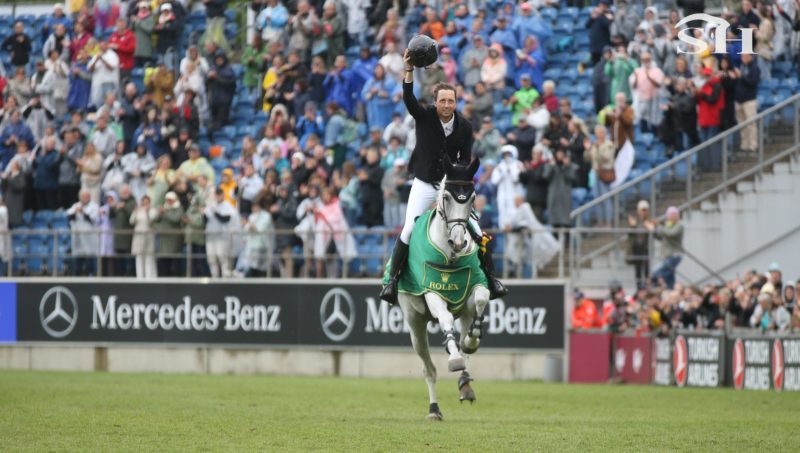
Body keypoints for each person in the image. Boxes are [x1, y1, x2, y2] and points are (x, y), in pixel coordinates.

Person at [381, 49, 507, 304]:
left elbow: (465, 160)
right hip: (426, 182)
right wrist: (408, 70)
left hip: (451, 186)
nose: (447, 105)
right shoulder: (425, 116)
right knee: (408, 229)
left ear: (456, 102)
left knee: (476, 229)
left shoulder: (465, 127)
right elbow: (408, 99)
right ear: (435, 101)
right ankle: (392, 281)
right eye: (443, 101)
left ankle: (492, 279)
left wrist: (456, 183)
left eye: (451, 101)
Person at [646, 206, 684, 289]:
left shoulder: (679, 225)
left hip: (674, 255)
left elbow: (670, 234)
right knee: (670, 275)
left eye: (674, 214)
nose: (672, 216)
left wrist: (658, 226)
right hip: (667, 255)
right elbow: (661, 237)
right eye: (671, 214)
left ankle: (657, 288)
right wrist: (653, 230)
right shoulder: (667, 225)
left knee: (656, 273)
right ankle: (670, 290)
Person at [205, 187, 238, 278]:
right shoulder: (211, 205)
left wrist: (215, 211)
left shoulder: (227, 206)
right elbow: (205, 219)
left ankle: (225, 278)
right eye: (217, 194)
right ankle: (214, 277)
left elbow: (224, 219)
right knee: (211, 259)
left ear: (223, 195)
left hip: (222, 237)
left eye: (220, 194)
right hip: (211, 236)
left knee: (222, 258)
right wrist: (204, 212)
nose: (218, 196)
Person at [587, 125, 616, 227]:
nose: (599, 135)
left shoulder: (609, 144)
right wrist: (588, 149)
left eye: (601, 132)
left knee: (606, 198)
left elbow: (606, 158)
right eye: (597, 133)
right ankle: (600, 221)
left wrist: (598, 148)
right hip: (595, 173)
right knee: (597, 199)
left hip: (605, 174)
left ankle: (608, 222)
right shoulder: (595, 144)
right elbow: (589, 158)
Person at [67, 190, 100, 276]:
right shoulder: (76, 205)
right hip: (78, 238)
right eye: (82, 196)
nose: (84, 198)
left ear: (89, 197)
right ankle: (76, 276)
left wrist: (82, 211)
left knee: (91, 260)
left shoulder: (94, 206)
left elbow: (93, 219)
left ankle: (92, 276)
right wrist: (75, 211)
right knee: (77, 261)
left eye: (86, 196)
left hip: (90, 239)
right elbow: (69, 217)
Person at [491, 145, 523, 229]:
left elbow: (517, 179)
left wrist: (510, 170)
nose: (507, 156)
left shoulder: (518, 164)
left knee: (514, 210)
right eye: (505, 154)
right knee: (502, 210)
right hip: (502, 193)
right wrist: (502, 173)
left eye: (508, 154)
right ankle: (503, 227)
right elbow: (494, 181)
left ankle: (515, 226)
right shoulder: (500, 166)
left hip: (515, 193)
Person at [154, 191, 184, 277]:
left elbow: (175, 219)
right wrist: (159, 214)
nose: (169, 201)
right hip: (164, 241)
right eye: (167, 200)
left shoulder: (178, 208)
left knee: (175, 262)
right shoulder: (164, 208)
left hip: (174, 241)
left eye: (170, 200)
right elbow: (154, 221)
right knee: (164, 263)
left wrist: (165, 213)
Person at [734, 53, 760, 154]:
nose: (743, 58)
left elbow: (753, 82)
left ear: (750, 56)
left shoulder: (754, 68)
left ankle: (753, 145)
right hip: (739, 101)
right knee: (742, 125)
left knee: (751, 124)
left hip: (749, 100)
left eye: (745, 56)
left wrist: (741, 76)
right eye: (742, 56)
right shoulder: (742, 67)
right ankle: (744, 145)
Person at [130, 194, 156, 279]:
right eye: (144, 202)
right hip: (138, 236)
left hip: (149, 236)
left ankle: (149, 277)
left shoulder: (153, 210)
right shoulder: (138, 210)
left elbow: (151, 221)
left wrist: (147, 212)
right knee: (139, 257)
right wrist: (136, 211)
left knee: (148, 257)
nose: (145, 204)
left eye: (147, 202)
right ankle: (139, 277)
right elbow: (131, 221)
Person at [627, 200, 652, 289]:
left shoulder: (649, 220)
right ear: (638, 210)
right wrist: (632, 226)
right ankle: (639, 289)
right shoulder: (635, 221)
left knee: (646, 271)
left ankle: (647, 288)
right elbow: (630, 236)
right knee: (637, 271)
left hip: (645, 248)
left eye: (645, 210)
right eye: (642, 210)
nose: (644, 212)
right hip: (636, 248)